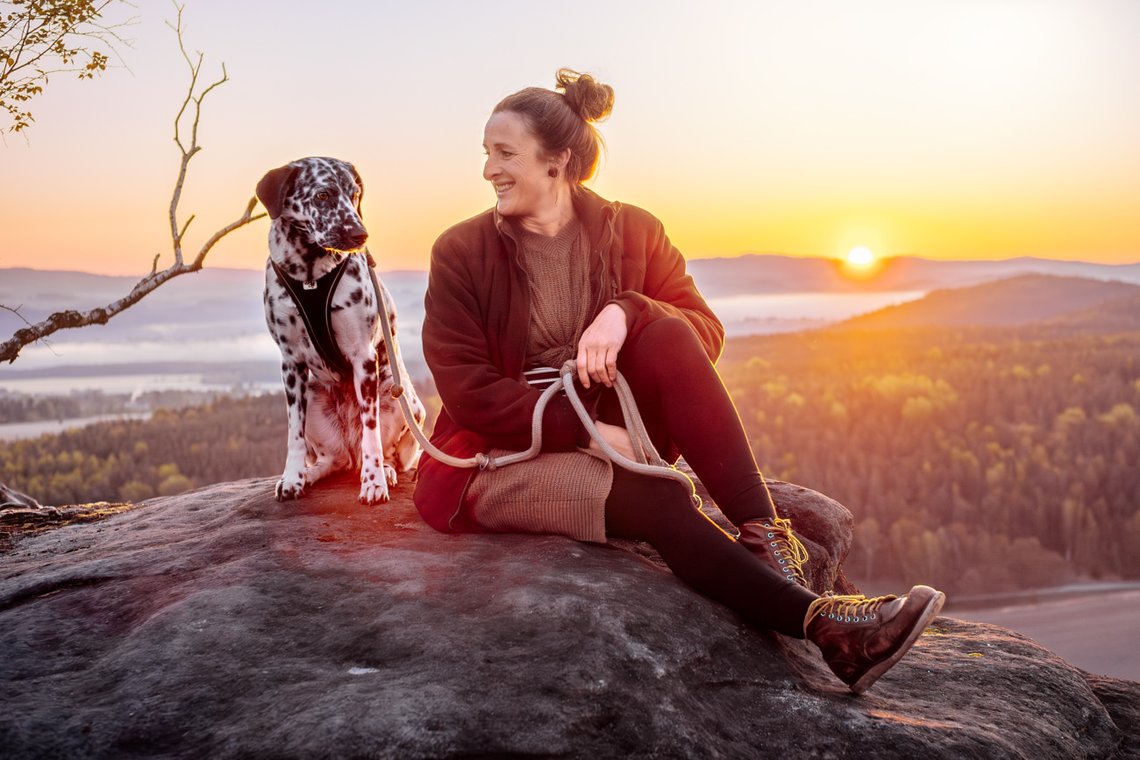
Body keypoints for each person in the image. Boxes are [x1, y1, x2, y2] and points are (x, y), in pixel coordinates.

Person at [414, 69, 944, 694]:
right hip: (500, 457)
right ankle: (828, 631)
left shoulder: (635, 229)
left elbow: (702, 333)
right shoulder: (460, 250)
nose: (488, 170)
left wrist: (626, 311)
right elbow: (466, 388)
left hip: (618, 428)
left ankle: (765, 538)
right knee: (665, 500)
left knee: (665, 330)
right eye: (486, 154)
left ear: (557, 162)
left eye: (503, 153)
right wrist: (588, 435)